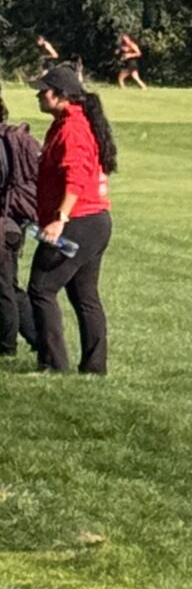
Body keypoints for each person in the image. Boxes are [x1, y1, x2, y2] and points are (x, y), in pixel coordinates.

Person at [28, 64, 116, 375]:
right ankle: (94, 368)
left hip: (79, 221)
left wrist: (59, 219)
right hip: (94, 221)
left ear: (62, 95)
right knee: (84, 295)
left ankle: (53, 365)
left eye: (44, 91)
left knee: (41, 288)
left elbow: (75, 179)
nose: (39, 96)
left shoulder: (72, 128)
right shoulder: (67, 123)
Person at [0, 94, 39, 358]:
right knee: (10, 285)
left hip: (5, 222)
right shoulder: (13, 139)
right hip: (16, 221)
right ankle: (40, 338)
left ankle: (6, 347)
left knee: (3, 287)